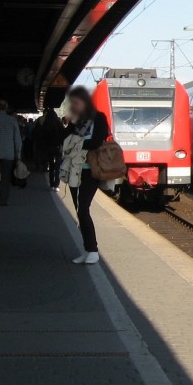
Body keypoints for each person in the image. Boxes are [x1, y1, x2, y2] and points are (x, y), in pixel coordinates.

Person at [63, 86, 110, 265]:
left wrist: (76, 143)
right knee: (79, 210)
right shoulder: (77, 121)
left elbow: (97, 141)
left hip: (91, 170)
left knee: (83, 208)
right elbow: (64, 137)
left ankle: (93, 250)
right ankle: (88, 249)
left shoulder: (99, 118)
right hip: (75, 169)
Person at [34, 111, 68, 187]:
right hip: (58, 147)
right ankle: (56, 183)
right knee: (58, 166)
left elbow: (42, 137)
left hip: (49, 148)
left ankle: (51, 182)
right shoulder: (59, 124)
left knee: (51, 165)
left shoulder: (45, 125)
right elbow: (63, 136)